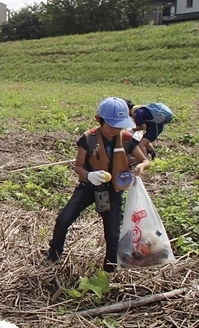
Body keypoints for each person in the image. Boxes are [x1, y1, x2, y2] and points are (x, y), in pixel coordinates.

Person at [46, 97, 151, 272]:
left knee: (113, 234)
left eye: (120, 125)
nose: (116, 129)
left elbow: (145, 160)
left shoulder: (125, 138)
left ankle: (109, 270)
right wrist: (89, 175)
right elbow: (78, 167)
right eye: (112, 125)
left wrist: (142, 166)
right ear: (98, 120)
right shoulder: (88, 139)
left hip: (113, 191)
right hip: (88, 188)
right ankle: (53, 256)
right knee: (63, 219)